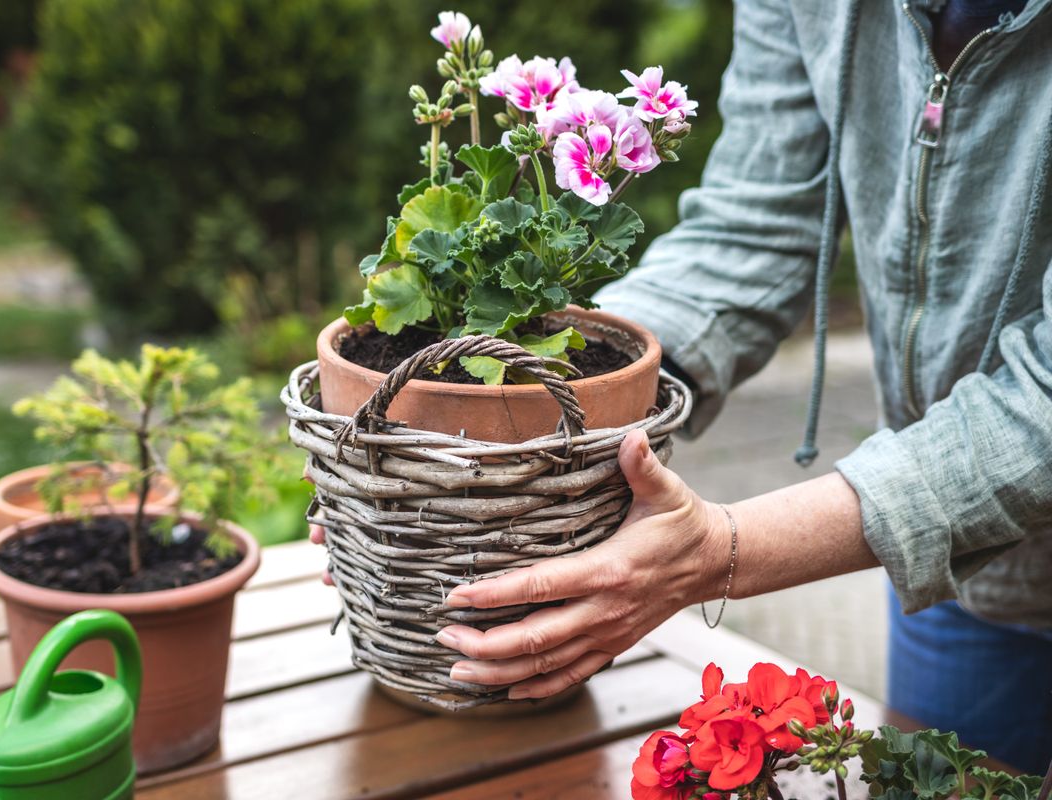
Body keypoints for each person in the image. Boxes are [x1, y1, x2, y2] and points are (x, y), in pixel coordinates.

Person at [313, 0, 1052, 774]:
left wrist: (720, 551)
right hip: (976, 584)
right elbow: (756, 222)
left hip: (955, 528)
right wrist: (479, 447)